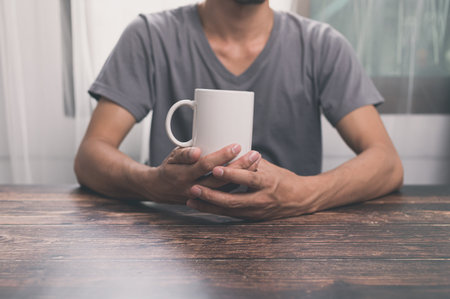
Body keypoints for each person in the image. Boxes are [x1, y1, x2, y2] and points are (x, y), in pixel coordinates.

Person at [74, 0, 403, 220]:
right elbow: (91, 155)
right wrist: (153, 183)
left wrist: (304, 194)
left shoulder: (322, 45)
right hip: (175, 245)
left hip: (293, 246)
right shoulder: (149, 36)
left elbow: (386, 162)